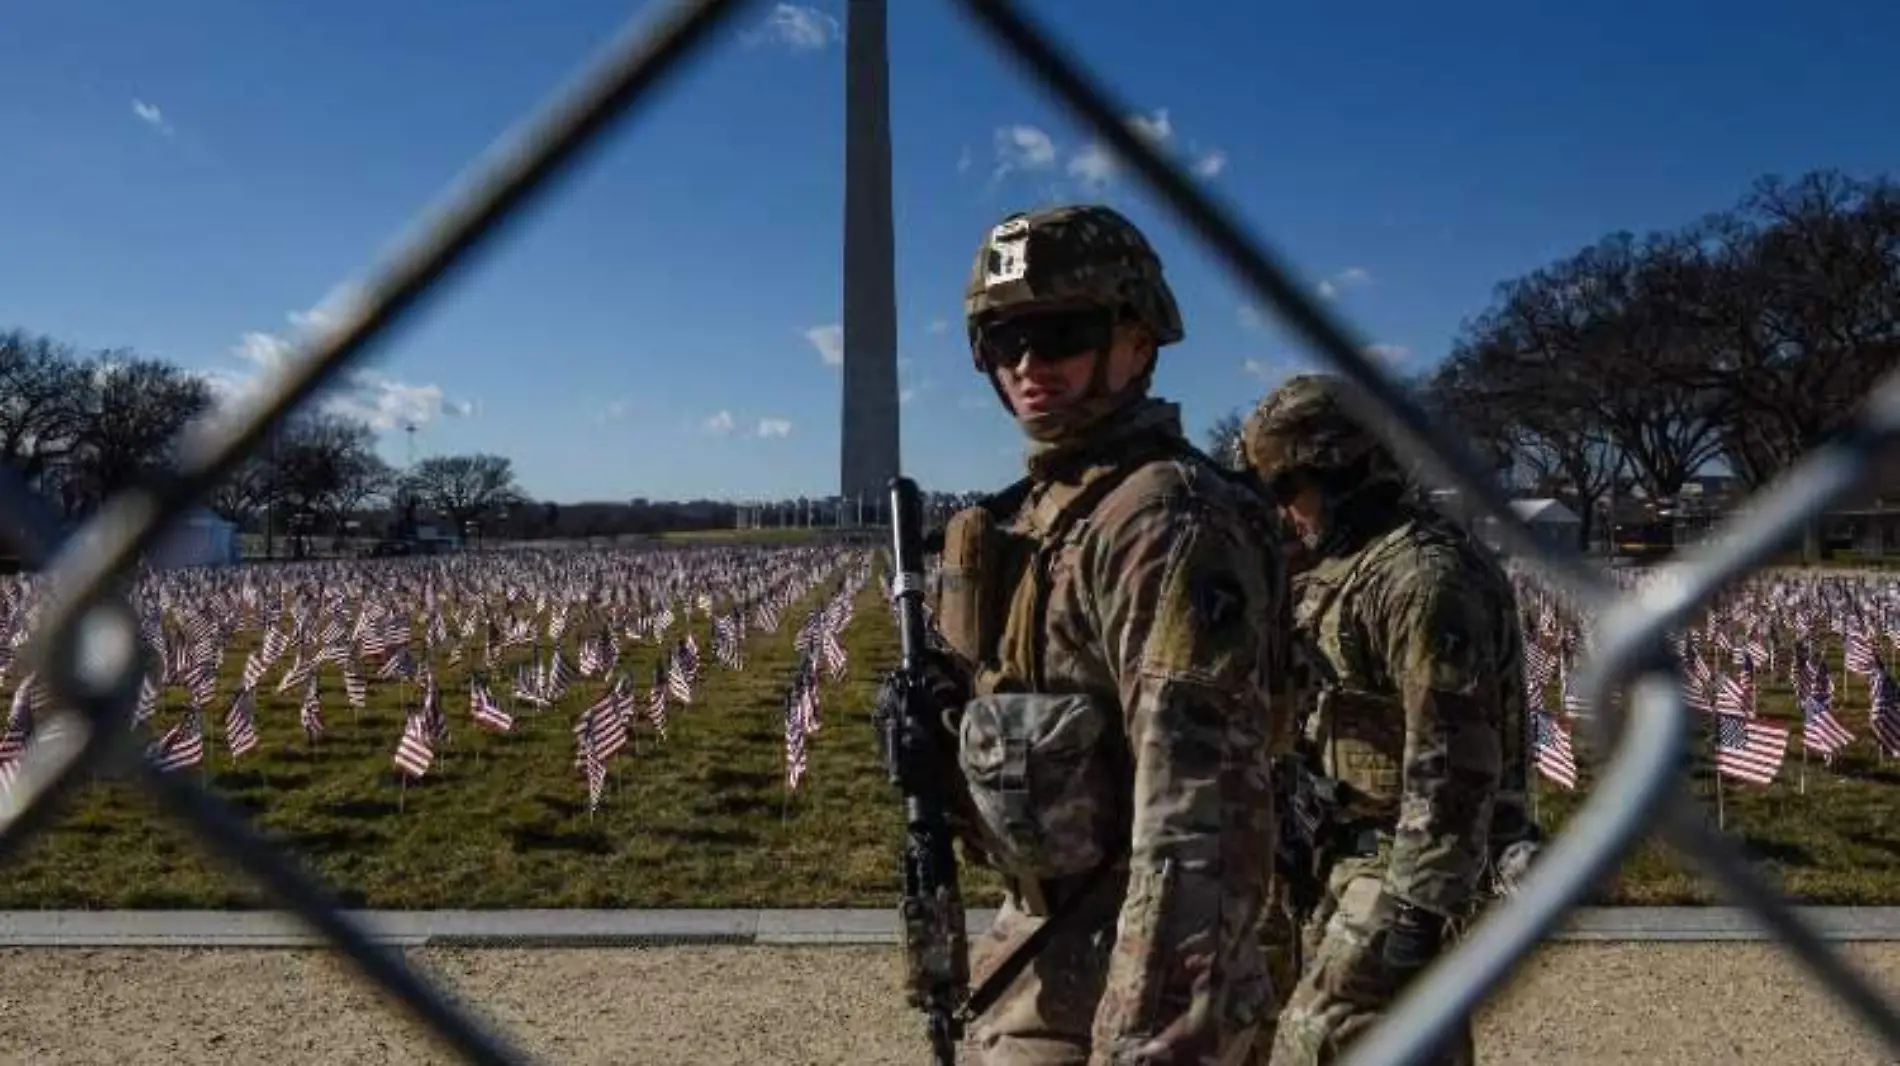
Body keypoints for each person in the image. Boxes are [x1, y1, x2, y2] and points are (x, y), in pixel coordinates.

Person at [923, 203, 1290, 1065]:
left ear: (1137, 337)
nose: (1026, 365)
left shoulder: (1163, 519)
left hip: (1138, 964)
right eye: (1001, 340)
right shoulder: (1048, 514)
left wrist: (1152, 1038)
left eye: (1059, 333)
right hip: (1048, 943)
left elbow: (1200, 822)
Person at [1238, 373, 1534, 1066]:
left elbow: (1453, 762)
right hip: (1327, 840)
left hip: (1402, 855)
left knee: (1332, 1035)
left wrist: (1418, 908)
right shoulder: (1333, 567)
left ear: (1346, 472)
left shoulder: (1423, 580)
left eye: (1289, 490)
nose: (1281, 514)